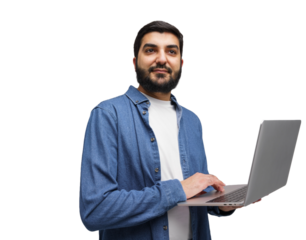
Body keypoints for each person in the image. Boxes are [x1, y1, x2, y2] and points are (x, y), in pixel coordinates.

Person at [79, 18, 263, 240]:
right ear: (135, 61)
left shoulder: (192, 119)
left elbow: (193, 195)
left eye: (171, 52)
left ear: (181, 63)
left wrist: (221, 203)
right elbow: (95, 210)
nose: (162, 59)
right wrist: (178, 190)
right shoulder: (108, 114)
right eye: (151, 50)